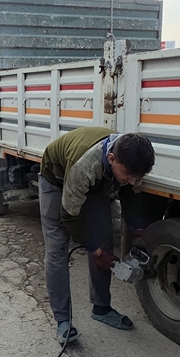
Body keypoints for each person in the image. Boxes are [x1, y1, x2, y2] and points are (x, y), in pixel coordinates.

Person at [38, 127, 156, 344]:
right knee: (57, 249)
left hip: (95, 185)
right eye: (128, 176)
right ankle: (63, 321)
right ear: (111, 158)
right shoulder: (86, 166)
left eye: (136, 177)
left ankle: (101, 308)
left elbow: (130, 194)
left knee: (105, 241)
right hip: (56, 178)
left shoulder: (130, 159)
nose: (132, 181)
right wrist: (94, 250)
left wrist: (138, 230)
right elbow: (69, 216)